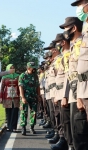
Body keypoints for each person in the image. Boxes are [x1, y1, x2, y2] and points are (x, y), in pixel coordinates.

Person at [60, 16, 84, 150]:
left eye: (66, 29)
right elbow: (70, 75)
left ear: (74, 28)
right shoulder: (74, 47)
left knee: (81, 134)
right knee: (76, 132)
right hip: (74, 94)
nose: (65, 32)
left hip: (81, 93)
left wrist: (80, 96)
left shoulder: (82, 44)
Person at [71, 1, 88, 149]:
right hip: (84, 89)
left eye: (81, 4)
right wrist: (80, 95)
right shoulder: (85, 33)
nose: (79, 8)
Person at [18, 62, 41, 136]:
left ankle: (32, 127)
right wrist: (23, 97)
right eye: (32, 67)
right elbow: (20, 87)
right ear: (28, 68)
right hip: (25, 96)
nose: (34, 69)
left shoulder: (35, 76)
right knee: (24, 112)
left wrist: (38, 95)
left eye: (34, 67)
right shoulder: (22, 75)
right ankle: (23, 127)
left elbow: (37, 86)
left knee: (33, 112)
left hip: (33, 96)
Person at [0, 64, 20, 132]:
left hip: (16, 96)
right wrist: (1, 97)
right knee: (8, 112)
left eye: (13, 68)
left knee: (15, 112)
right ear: (8, 69)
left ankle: (14, 127)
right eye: (11, 68)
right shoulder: (4, 77)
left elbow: (20, 87)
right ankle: (9, 126)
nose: (12, 69)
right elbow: (2, 88)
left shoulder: (18, 76)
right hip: (7, 97)